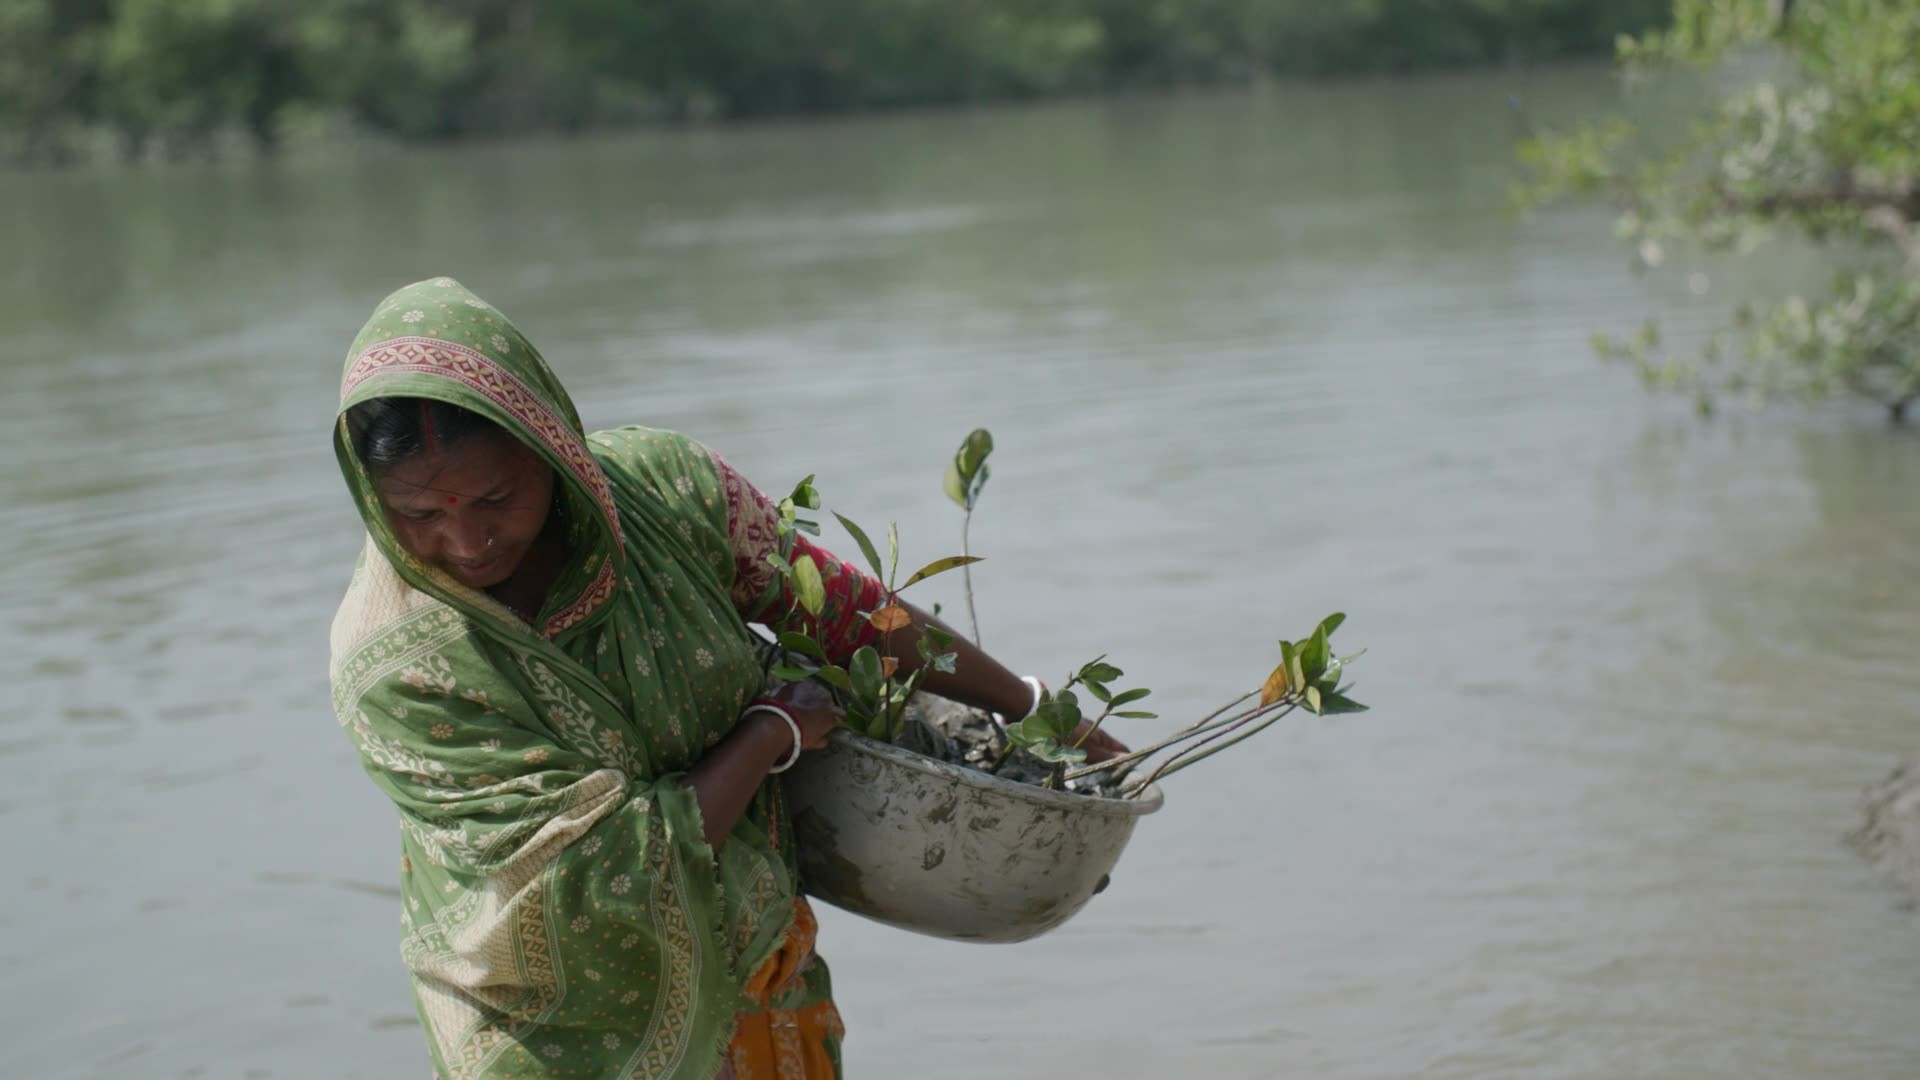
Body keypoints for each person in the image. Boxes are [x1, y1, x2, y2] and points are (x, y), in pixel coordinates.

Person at [327, 277, 1127, 1079]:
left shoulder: (665, 495)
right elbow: (595, 874)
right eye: (418, 515)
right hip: (551, 1028)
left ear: (552, 447)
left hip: (755, 965)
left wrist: (1040, 714)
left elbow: (847, 614)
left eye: (496, 498)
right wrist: (771, 731)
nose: (466, 542)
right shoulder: (399, 664)